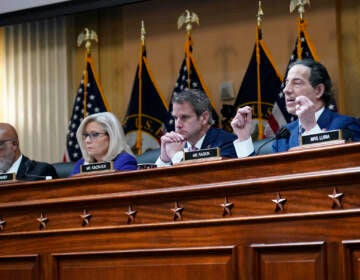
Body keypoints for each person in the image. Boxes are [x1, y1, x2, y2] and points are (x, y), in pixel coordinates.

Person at [231, 59, 360, 155]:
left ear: (319, 90)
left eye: (297, 83)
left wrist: (311, 127)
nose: (286, 90)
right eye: (286, 83)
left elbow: (343, 167)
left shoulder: (346, 125)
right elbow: (262, 177)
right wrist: (244, 139)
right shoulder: (285, 133)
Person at [156, 89, 237, 166]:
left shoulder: (227, 143)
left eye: (184, 117)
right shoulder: (174, 146)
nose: (178, 125)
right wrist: (164, 159)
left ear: (204, 118)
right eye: (175, 118)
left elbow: (204, 178)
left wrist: (177, 156)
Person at [69, 112, 137, 176]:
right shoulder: (81, 164)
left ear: (111, 136)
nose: (87, 140)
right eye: (86, 135)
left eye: (95, 134)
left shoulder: (125, 161)